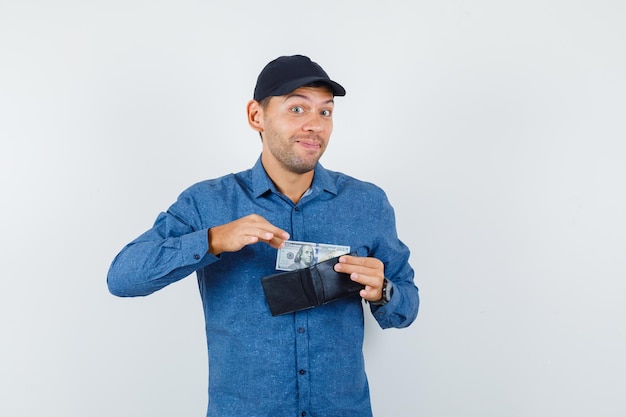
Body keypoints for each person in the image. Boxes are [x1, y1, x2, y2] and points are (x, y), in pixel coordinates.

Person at [107, 54, 420, 417]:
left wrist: (384, 291)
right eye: (297, 109)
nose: (315, 125)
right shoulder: (207, 202)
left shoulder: (367, 203)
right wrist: (212, 240)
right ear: (257, 116)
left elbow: (406, 307)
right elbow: (122, 277)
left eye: (326, 112)